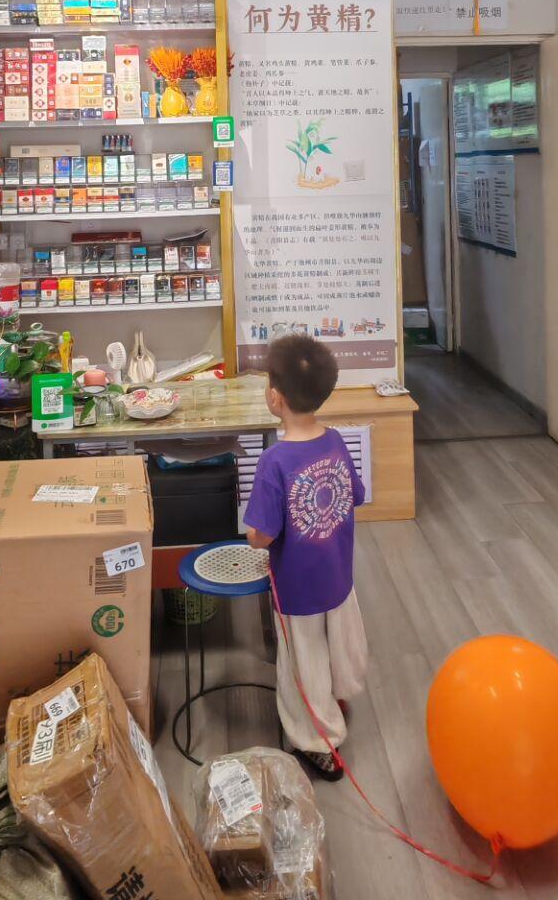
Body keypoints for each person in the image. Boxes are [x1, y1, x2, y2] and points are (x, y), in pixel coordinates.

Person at [244, 333, 367, 781]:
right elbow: (355, 495)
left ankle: (319, 741)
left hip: (297, 588)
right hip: (337, 573)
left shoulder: (274, 461)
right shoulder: (334, 441)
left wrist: (254, 535)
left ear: (275, 397)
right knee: (339, 645)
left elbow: (260, 536)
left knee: (304, 664)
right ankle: (338, 695)